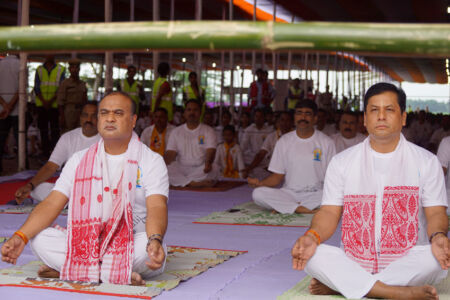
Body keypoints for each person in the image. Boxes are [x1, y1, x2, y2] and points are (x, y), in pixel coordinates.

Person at [292, 83, 449, 299]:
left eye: (389, 110)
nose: (381, 116)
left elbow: (436, 213)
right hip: (355, 260)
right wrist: (312, 236)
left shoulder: (427, 162)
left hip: (408, 261)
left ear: (403, 117)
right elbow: (329, 213)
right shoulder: (342, 162)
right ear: (365, 119)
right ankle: (394, 292)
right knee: (311, 254)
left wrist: (439, 236)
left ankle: (347, 285)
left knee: (434, 259)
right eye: (374, 110)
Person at [2, 91, 169, 285]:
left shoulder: (151, 160)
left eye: (118, 113)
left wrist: (155, 240)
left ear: (133, 121)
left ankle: (75, 269)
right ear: (99, 120)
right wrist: (19, 237)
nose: (110, 118)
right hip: (86, 241)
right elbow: (52, 203)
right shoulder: (79, 159)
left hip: (131, 241)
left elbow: (157, 206)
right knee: (39, 239)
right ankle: (113, 273)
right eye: (104, 113)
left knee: (146, 250)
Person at [249, 101, 336, 214]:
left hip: (316, 193)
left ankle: (286, 208)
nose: (303, 117)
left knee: (339, 194)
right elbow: (277, 177)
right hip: (289, 193)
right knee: (258, 193)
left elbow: (332, 177)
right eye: (299, 113)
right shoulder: (284, 141)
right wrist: (259, 184)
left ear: (315, 118)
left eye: (308, 114)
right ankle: (302, 209)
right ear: (295, 117)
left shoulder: (327, 142)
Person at [15, 103, 100, 204]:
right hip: (71, 189)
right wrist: (30, 186)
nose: (88, 120)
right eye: (85, 115)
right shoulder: (68, 137)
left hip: (96, 188)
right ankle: (74, 203)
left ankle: (69, 203)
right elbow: (51, 166)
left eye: (94, 116)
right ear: (80, 117)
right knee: (37, 189)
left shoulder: (108, 139)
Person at [164, 99, 218, 187]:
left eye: (195, 110)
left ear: (200, 113)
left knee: (214, 167)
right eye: (189, 110)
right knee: (165, 169)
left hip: (201, 168)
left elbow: (211, 150)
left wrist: (208, 164)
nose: (192, 113)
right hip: (181, 167)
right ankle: (194, 183)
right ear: (184, 113)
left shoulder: (208, 130)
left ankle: (183, 182)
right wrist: (161, 165)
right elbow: (170, 153)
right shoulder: (176, 131)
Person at [243, 111, 293, 180]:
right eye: (282, 120)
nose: (284, 123)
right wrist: (249, 168)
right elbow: (261, 154)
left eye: (288, 120)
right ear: (278, 122)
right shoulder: (272, 136)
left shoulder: (297, 136)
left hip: (291, 170)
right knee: (254, 171)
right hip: (274, 171)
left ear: (292, 122)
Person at [34, 55, 66, 157]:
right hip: (42, 105)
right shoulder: (39, 70)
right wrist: (44, 101)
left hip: (54, 105)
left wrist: (50, 101)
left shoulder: (61, 69)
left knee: (55, 130)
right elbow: (37, 87)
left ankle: (54, 153)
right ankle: (45, 153)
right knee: (43, 130)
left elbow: (61, 87)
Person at [0, 54, 20, 174]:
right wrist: (11, 106)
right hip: (17, 109)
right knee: (20, 140)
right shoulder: (20, 65)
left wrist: (5, 105)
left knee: (1, 139)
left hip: (2, 109)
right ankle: (23, 166)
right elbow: (22, 88)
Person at [57, 58, 88, 132]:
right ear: (69, 69)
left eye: (76, 67)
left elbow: (85, 100)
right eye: (72, 67)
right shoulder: (65, 83)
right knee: (68, 133)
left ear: (79, 69)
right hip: (69, 112)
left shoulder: (82, 84)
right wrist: (62, 117)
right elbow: (60, 102)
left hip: (80, 112)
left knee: (80, 133)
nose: (75, 70)